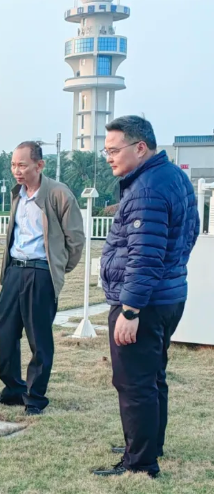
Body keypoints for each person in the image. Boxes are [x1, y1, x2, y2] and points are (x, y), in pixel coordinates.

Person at [93, 116, 198, 479]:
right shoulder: (174, 177)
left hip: (145, 302)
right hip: (168, 295)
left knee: (134, 382)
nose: (109, 157)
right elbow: (189, 234)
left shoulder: (146, 189)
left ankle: (139, 462)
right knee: (153, 376)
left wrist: (130, 310)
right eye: (105, 150)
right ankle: (149, 444)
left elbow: (144, 256)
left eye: (114, 150)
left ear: (140, 148)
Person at [0, 141, 84, 416]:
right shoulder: (17, 194)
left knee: (39, 338)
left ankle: (35, 397)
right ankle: (13, 389)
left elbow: (75, 239)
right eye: (13, 165)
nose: (16, 171)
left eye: (22, 165)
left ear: (39, 165)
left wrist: (58, 268)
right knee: (6, 332)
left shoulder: (58, 193)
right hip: (14, 270)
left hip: (40, 272)